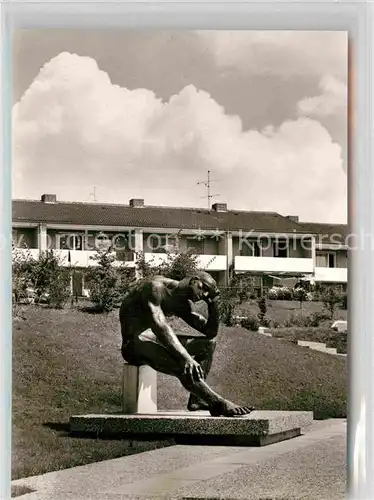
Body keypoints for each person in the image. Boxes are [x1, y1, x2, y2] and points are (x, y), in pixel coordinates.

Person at [119, 271, 254, 417]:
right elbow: (159, 326)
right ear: (194, 281)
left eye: (208, 293)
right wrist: (186, 357)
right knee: (181, 364)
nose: (204, 295)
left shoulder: (182, 303)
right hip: (134, 344)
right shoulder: (155, 287)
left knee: (208, 344)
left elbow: (210, 332)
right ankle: (217, 402)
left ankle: (197, 400)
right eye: (204, 288)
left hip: (154, 339)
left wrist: (213, 302)